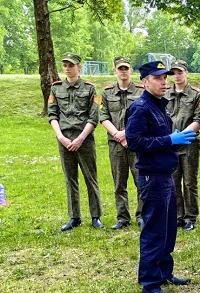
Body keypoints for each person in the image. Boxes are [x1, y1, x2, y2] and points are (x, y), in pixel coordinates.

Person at [126, 61, 195, 293]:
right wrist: (169, 140)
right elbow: (134, 142)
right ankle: (150, 283)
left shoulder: (159, 106)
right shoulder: (141, 108)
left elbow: (156, 138)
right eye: (158, 78)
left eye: (165, 77)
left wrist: (172, 140)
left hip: (165, 174)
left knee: (167, 229)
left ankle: (164, 272)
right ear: (145, 82)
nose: (164, 82)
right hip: (152, 177)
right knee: (154, 231)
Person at [48, 52, 103, 231]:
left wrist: (80, 138)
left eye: (71, 65)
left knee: (90, 177)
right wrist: (60, 137)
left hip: (84, 138)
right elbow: (52, 115)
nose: (67, 68)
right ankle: (74, 217)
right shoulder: (56, 88)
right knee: (70, 178)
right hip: (64, 138)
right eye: (65, 65)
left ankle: (96, 216)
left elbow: (93, 117)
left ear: (79, 67)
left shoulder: (89, 89)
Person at [100, 56, 144, 230]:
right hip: (116, 143)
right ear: (115, 71)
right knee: (119, 182)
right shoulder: (107, 93)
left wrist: (127, 134)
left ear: (131, 70)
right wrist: (117, 134)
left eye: (126, 68)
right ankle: (122, 217)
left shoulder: (141, 91)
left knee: (141, 180)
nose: (123, 71)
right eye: (120, 69)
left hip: (137, 143)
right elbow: (103, 116)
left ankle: (142, 216)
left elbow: (144, 116)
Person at [165, 60, 200, 231]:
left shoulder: (195, 95)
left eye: (180, 72)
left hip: (189, 143)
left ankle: (190, 216)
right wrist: (170, 139)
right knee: (173, 181)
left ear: (186, 73)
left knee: (189, 182)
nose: (177, 76)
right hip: (170, 143)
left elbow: (199, 119)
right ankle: (177, 216)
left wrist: (181, 136)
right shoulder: (165, 94)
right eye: (173, 73)